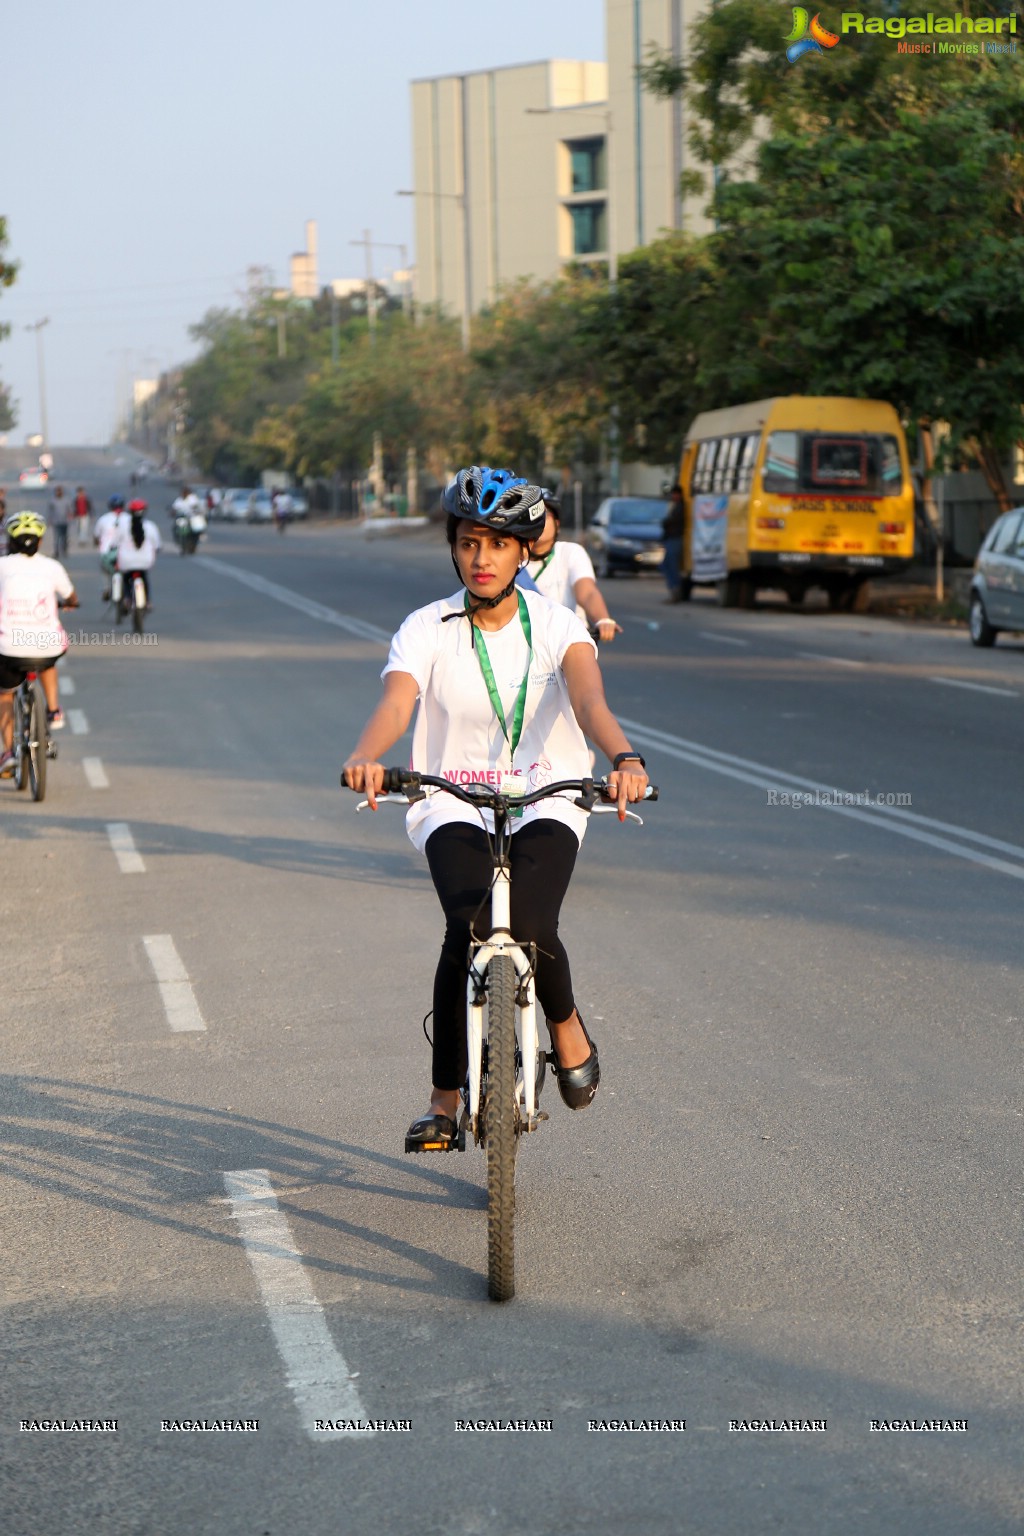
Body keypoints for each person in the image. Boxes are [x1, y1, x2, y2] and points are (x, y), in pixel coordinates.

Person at [342, 465, 650, 1150]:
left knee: (533, 921)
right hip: (450, 796)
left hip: (550, 792)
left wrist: (626, 760)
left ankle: (566, 1025)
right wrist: (367, 756)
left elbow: (590, 702)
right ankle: (443, 1098)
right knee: (467, 924)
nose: (481, 558)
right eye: (469, 543)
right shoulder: (427, 627)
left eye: (498, 544)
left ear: (525, 550)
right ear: (453, 547)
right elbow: (396, 703)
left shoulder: (560, 625)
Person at [0, 511, 79, 774]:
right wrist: (69, 604)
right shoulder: (51, 566)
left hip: (7, 649)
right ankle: (54, 710)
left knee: (5, 693)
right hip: (47, 646)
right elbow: (71, 597)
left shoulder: (2, 566)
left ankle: (10, 752)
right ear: (40, 541)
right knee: (48, 660)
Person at [519, 488, 622, 642]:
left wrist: (603, 619)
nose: (537, 522)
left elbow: (587, 593)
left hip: (569, 643)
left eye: (544, 515)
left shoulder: (571, 552)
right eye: (531, 516)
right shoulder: (510, 558)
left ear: (557, 524)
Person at [114, 499, 162, 608]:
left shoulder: (122, 526)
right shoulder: (151, 526)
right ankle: (148, 601)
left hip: (126, 562)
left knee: (126, 578)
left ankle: (127, 598)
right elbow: (157, 545)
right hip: (145, 562)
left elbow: (114, 543)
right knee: (144, 578)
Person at [93, 495, 128, 600]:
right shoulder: (129, 518)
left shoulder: (104, 519)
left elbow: (96, 536)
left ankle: (106, 588)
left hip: (107, 553)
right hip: (126, 553)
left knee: (105, 570)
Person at [661, 483, 685, 603]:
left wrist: (666, 522)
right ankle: (673, 591)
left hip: (675, 539)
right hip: (671, 539)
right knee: (666, 565)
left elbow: (671, 522)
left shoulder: (680, 507)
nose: (674, 496)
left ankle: (676, 592)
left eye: (675, 494)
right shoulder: (674, 506)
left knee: (672, 566)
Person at [49, 485, 70, 559]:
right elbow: (50, 511)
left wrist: (70, 515)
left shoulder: (66, 500)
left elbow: (69, 509)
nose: (58, 493)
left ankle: (64, 549)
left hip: (64, 522)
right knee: (57, 538)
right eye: (57, 492)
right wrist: (49, 520)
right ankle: (56, 551)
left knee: (64, 537)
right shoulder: (53, 501)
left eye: (59, 491)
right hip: (56, 522)